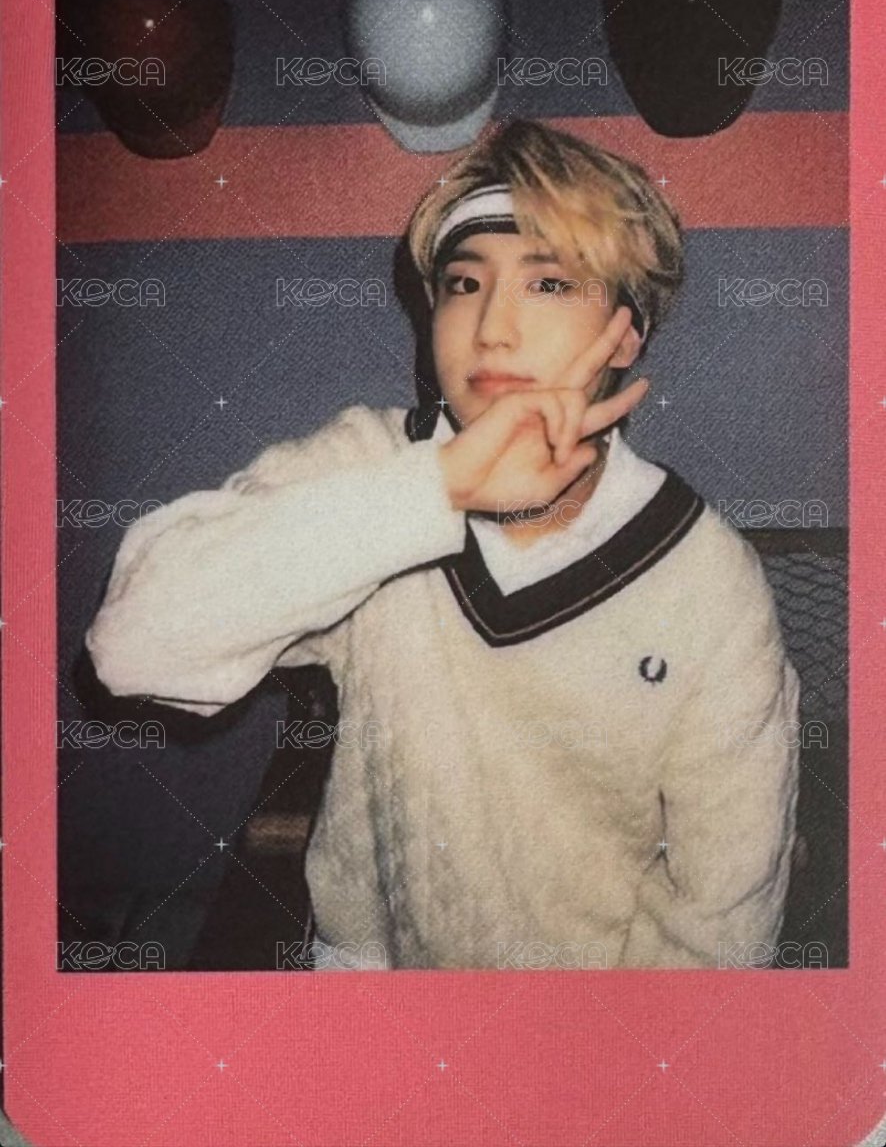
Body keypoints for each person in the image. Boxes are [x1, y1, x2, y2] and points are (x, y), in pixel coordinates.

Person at [86, 118, 799, 970]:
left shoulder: (708, 579)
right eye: (464, 283)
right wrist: (442, 488)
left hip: (582, 1009)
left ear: (626, 331)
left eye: (547, 283)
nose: (491, 327)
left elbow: (723, 917)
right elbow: (135, 649)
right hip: (372, 976)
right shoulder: (372, 464)